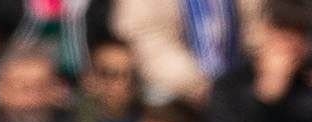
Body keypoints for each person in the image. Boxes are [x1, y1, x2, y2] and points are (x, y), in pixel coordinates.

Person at [112, 0, 262, 103]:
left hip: (237, 87)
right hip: (173, 94)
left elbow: (258, 25)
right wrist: (201, 85)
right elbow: (150, 45)